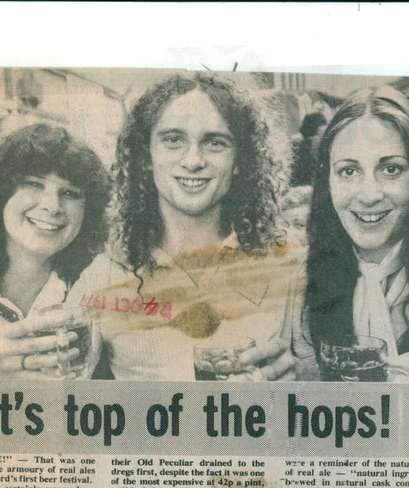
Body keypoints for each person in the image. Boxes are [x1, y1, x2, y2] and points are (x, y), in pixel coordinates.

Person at [76, 73, 302, 381]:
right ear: (146, 156)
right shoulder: (104, 276)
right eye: (173, 140)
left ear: (240, 160)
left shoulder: (286, 260)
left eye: (214, 142)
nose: (193, 160)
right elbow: (58, 397)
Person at [0, 123, 112, 379]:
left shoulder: (95, 289)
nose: (52, 207)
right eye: (34, 184)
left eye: (70, 193)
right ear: (0, 193)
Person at [303, 87, 409, 382]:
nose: (369, 194)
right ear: (328, 182)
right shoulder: (301, 290)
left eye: (391, 169)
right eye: (348, 172)